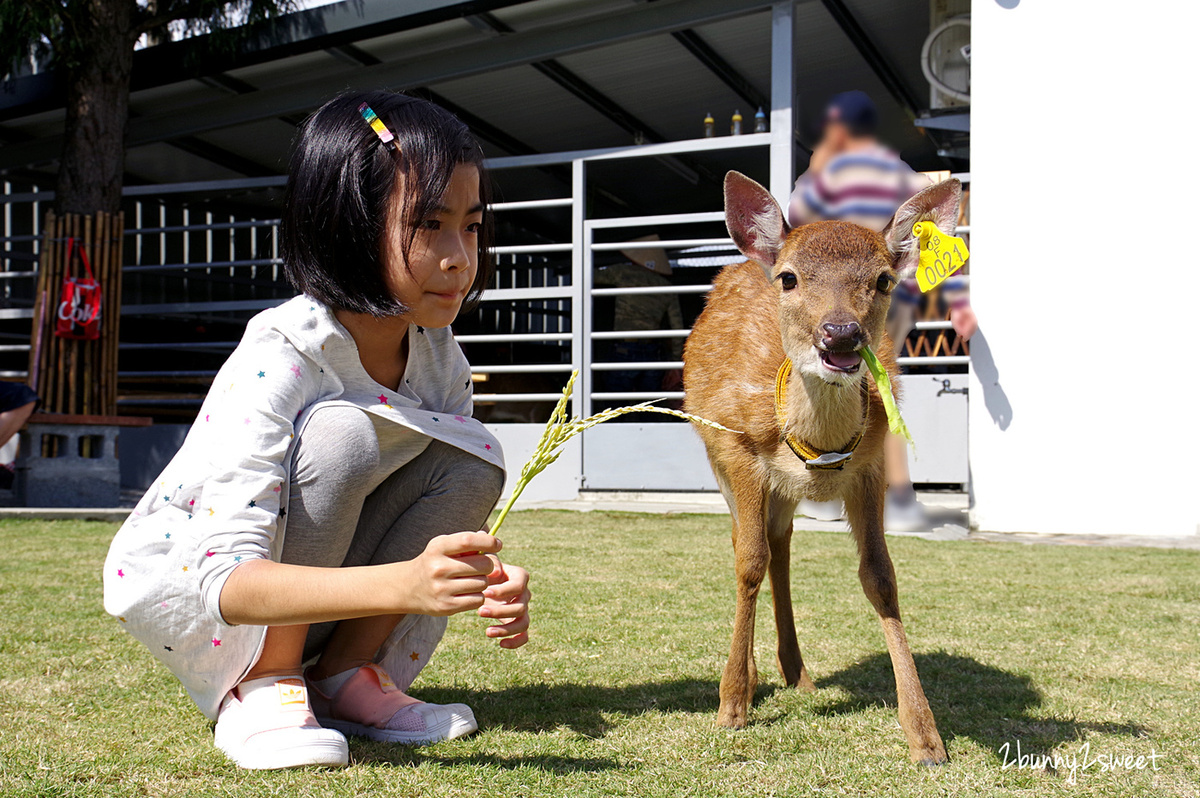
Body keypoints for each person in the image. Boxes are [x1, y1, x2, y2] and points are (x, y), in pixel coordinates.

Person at [103, 92, 531, 771]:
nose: (459, 257)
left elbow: (430, 504)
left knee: (472, 457)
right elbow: (224, 580)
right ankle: (267, 683)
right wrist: (402, 585)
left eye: (471, 227)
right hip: (221, 610)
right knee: (341, 434)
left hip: (327, 592)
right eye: (429, 224)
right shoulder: (284, 352)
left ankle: (345, 675)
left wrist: (482, 574)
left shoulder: (440, 356)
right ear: (349, 224)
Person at [787, 90, 974, 530]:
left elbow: (795, 228)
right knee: (878, 390)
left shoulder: (822, 176)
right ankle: (887, 496)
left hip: (853, 302)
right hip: (886, 296)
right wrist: (959, 301)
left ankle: (848, 493)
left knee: (855, 387)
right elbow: (944, 239)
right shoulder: (902, 173)